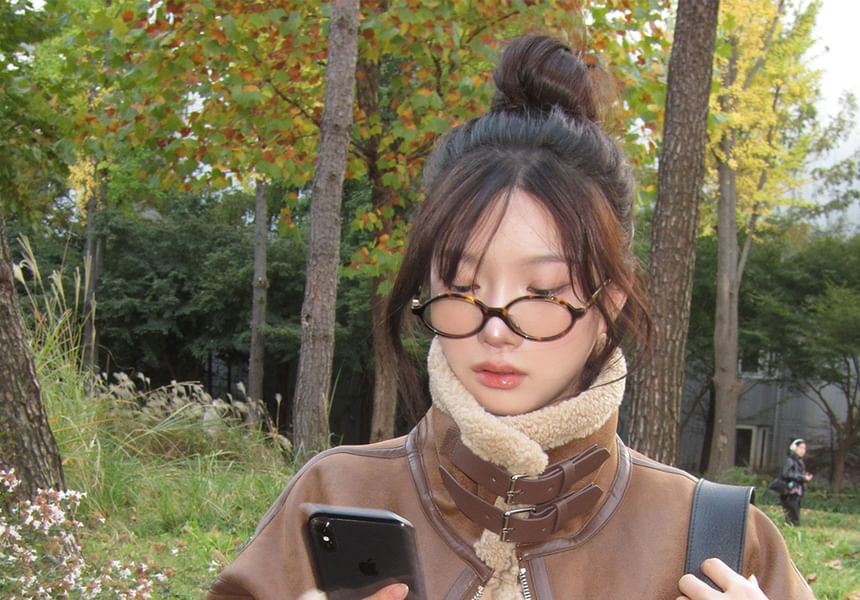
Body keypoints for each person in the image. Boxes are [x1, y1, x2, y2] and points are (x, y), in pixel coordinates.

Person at [205, 35, 814, 600]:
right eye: (462, 286)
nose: (494, 329)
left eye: (543, 292)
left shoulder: (720, 540)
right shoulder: (336, 497)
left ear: (612, 302)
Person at [779, 438, 814, 526]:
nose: (803, 450)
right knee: (792, 517)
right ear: (794, 448)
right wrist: (802, 477)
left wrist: (804, 478)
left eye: (804, 448)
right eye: (800, 448)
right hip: (789, 492)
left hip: (796, 492)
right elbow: (786, 474)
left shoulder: (799, 462)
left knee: (795, 516)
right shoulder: (790, 460)